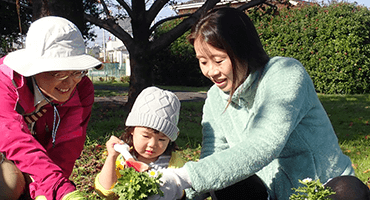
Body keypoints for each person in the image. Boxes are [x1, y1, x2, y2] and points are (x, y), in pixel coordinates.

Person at [153, 7, 370, 200]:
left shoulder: (285, 73)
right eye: (203, 61)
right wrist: (181, 191)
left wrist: (183, 176)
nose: (211, 71)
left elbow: (263, 145)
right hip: (269, 193)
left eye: (218, 60)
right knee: (224, 183)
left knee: (347, 189)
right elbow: (214, 158)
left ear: (242, 51)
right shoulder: (214, 99)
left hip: (322, 189)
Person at [0, 16, 102, 200]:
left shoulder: (82, 87)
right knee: (9, 184)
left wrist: (52, 191)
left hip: (35, 159)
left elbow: (68, 146)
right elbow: (13, 139)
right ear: (34, 69)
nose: (70, 83)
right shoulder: (5, 82)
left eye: (77, 71)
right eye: (59, 73)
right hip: (6, 151)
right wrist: (58, 188)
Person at [94, 86, 187, 199]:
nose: (152, 144)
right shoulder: (124, 158)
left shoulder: (174, 162)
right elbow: (105, 191)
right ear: (132, 130)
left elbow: (183, 192)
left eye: (162, 139)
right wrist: (112, 157)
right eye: (146, 136)